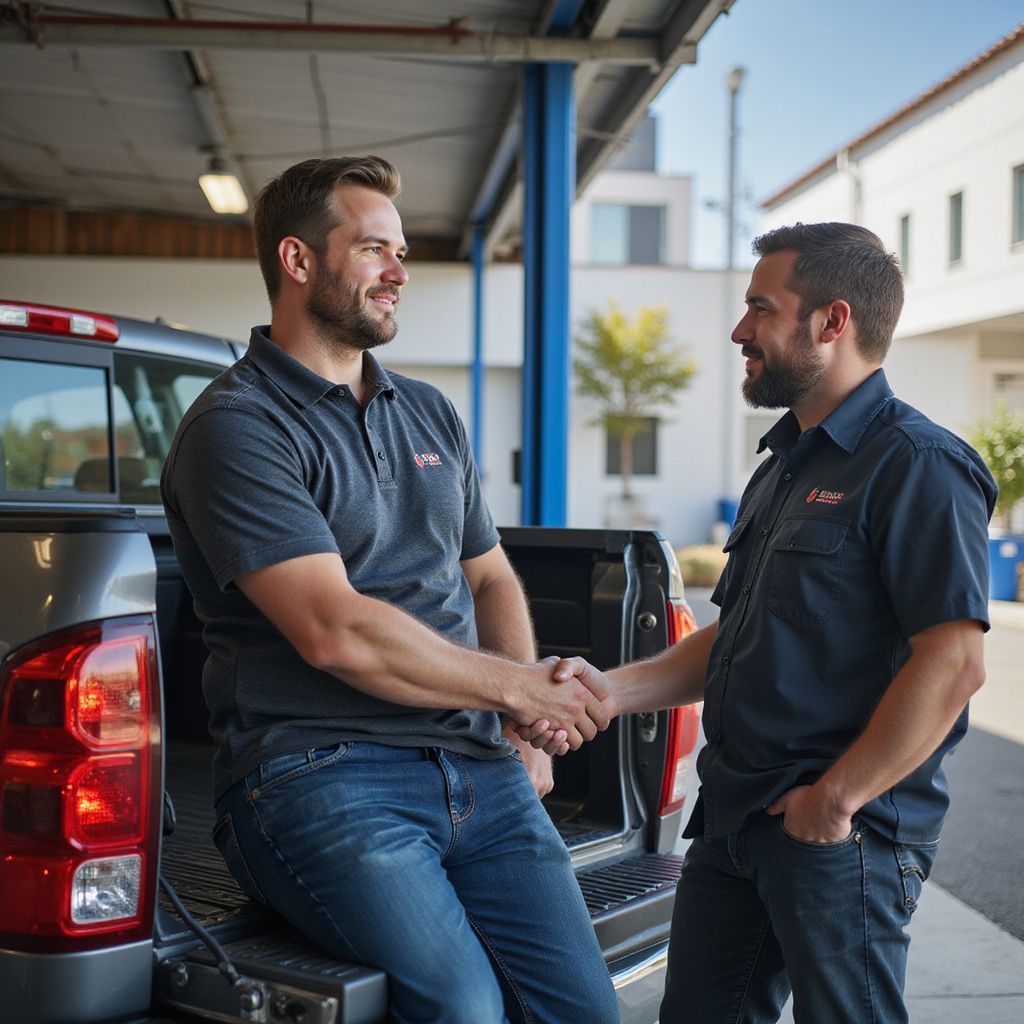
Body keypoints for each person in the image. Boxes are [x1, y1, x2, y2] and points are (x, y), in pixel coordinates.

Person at [160, 155, 619, 1024]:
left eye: (399, 251)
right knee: (463, 1009)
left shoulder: (428, 411)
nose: (401, 272)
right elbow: (336, 630)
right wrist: (518, 688)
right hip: (319, 775)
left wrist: (523, 721)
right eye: (375, 249)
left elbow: (488, 576)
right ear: (298, 262)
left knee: (586, 1012)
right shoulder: (237, 427)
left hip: (480, 768)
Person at [522, 222, 997, 1024]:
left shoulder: (918, 463)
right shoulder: (783, 467)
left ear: (832, 322)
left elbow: (952, 664)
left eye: (760, 308)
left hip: (838, 837)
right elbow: (737, 636)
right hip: (733, 822)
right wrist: (605, 690)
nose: (740, 330)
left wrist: (837, 800)